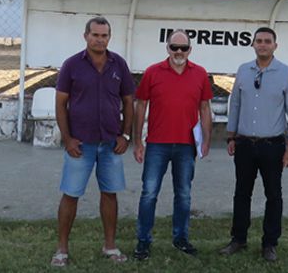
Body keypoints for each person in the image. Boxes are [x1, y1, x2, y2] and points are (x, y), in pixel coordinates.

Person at [51, 16, 135, 267]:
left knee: (110, 194)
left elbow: (130, 102)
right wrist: (67, 139)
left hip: (110, 144)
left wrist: (126, 134)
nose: (100, 39)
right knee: (71, 194)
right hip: (80, 145)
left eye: (105, 35)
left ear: (110, 37)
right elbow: (60, 104)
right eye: (95, 35)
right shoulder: (72, 65)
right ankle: (62, 250)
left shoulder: (118, 64)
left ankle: (110, 246)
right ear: (85, 35)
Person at [219, 26, 288, 262]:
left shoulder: (286, 73)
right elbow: (234, 104)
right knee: (241, 193)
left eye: (267, 41)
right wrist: (231, 136)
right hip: (244, 144)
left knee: (273, 195)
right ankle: (238, 239)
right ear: (253, 45)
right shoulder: (244, 71)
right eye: (259, 41)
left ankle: (269, 244)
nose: (263, 44)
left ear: (275, 46)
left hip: (272, 145)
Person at [132, 29, 213, 261]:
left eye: (183, 48)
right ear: (167, 48)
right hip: (157, 144)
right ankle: (143, 241)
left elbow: (205, 107)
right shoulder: (152, 72)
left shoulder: (199, 74)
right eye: (174, 47)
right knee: (149, 194)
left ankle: (180, 238)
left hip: (187, 146)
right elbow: (140, 106)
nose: (179, 52)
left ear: (190, 50)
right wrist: (137, 141)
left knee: (184, 194)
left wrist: (206, 139)